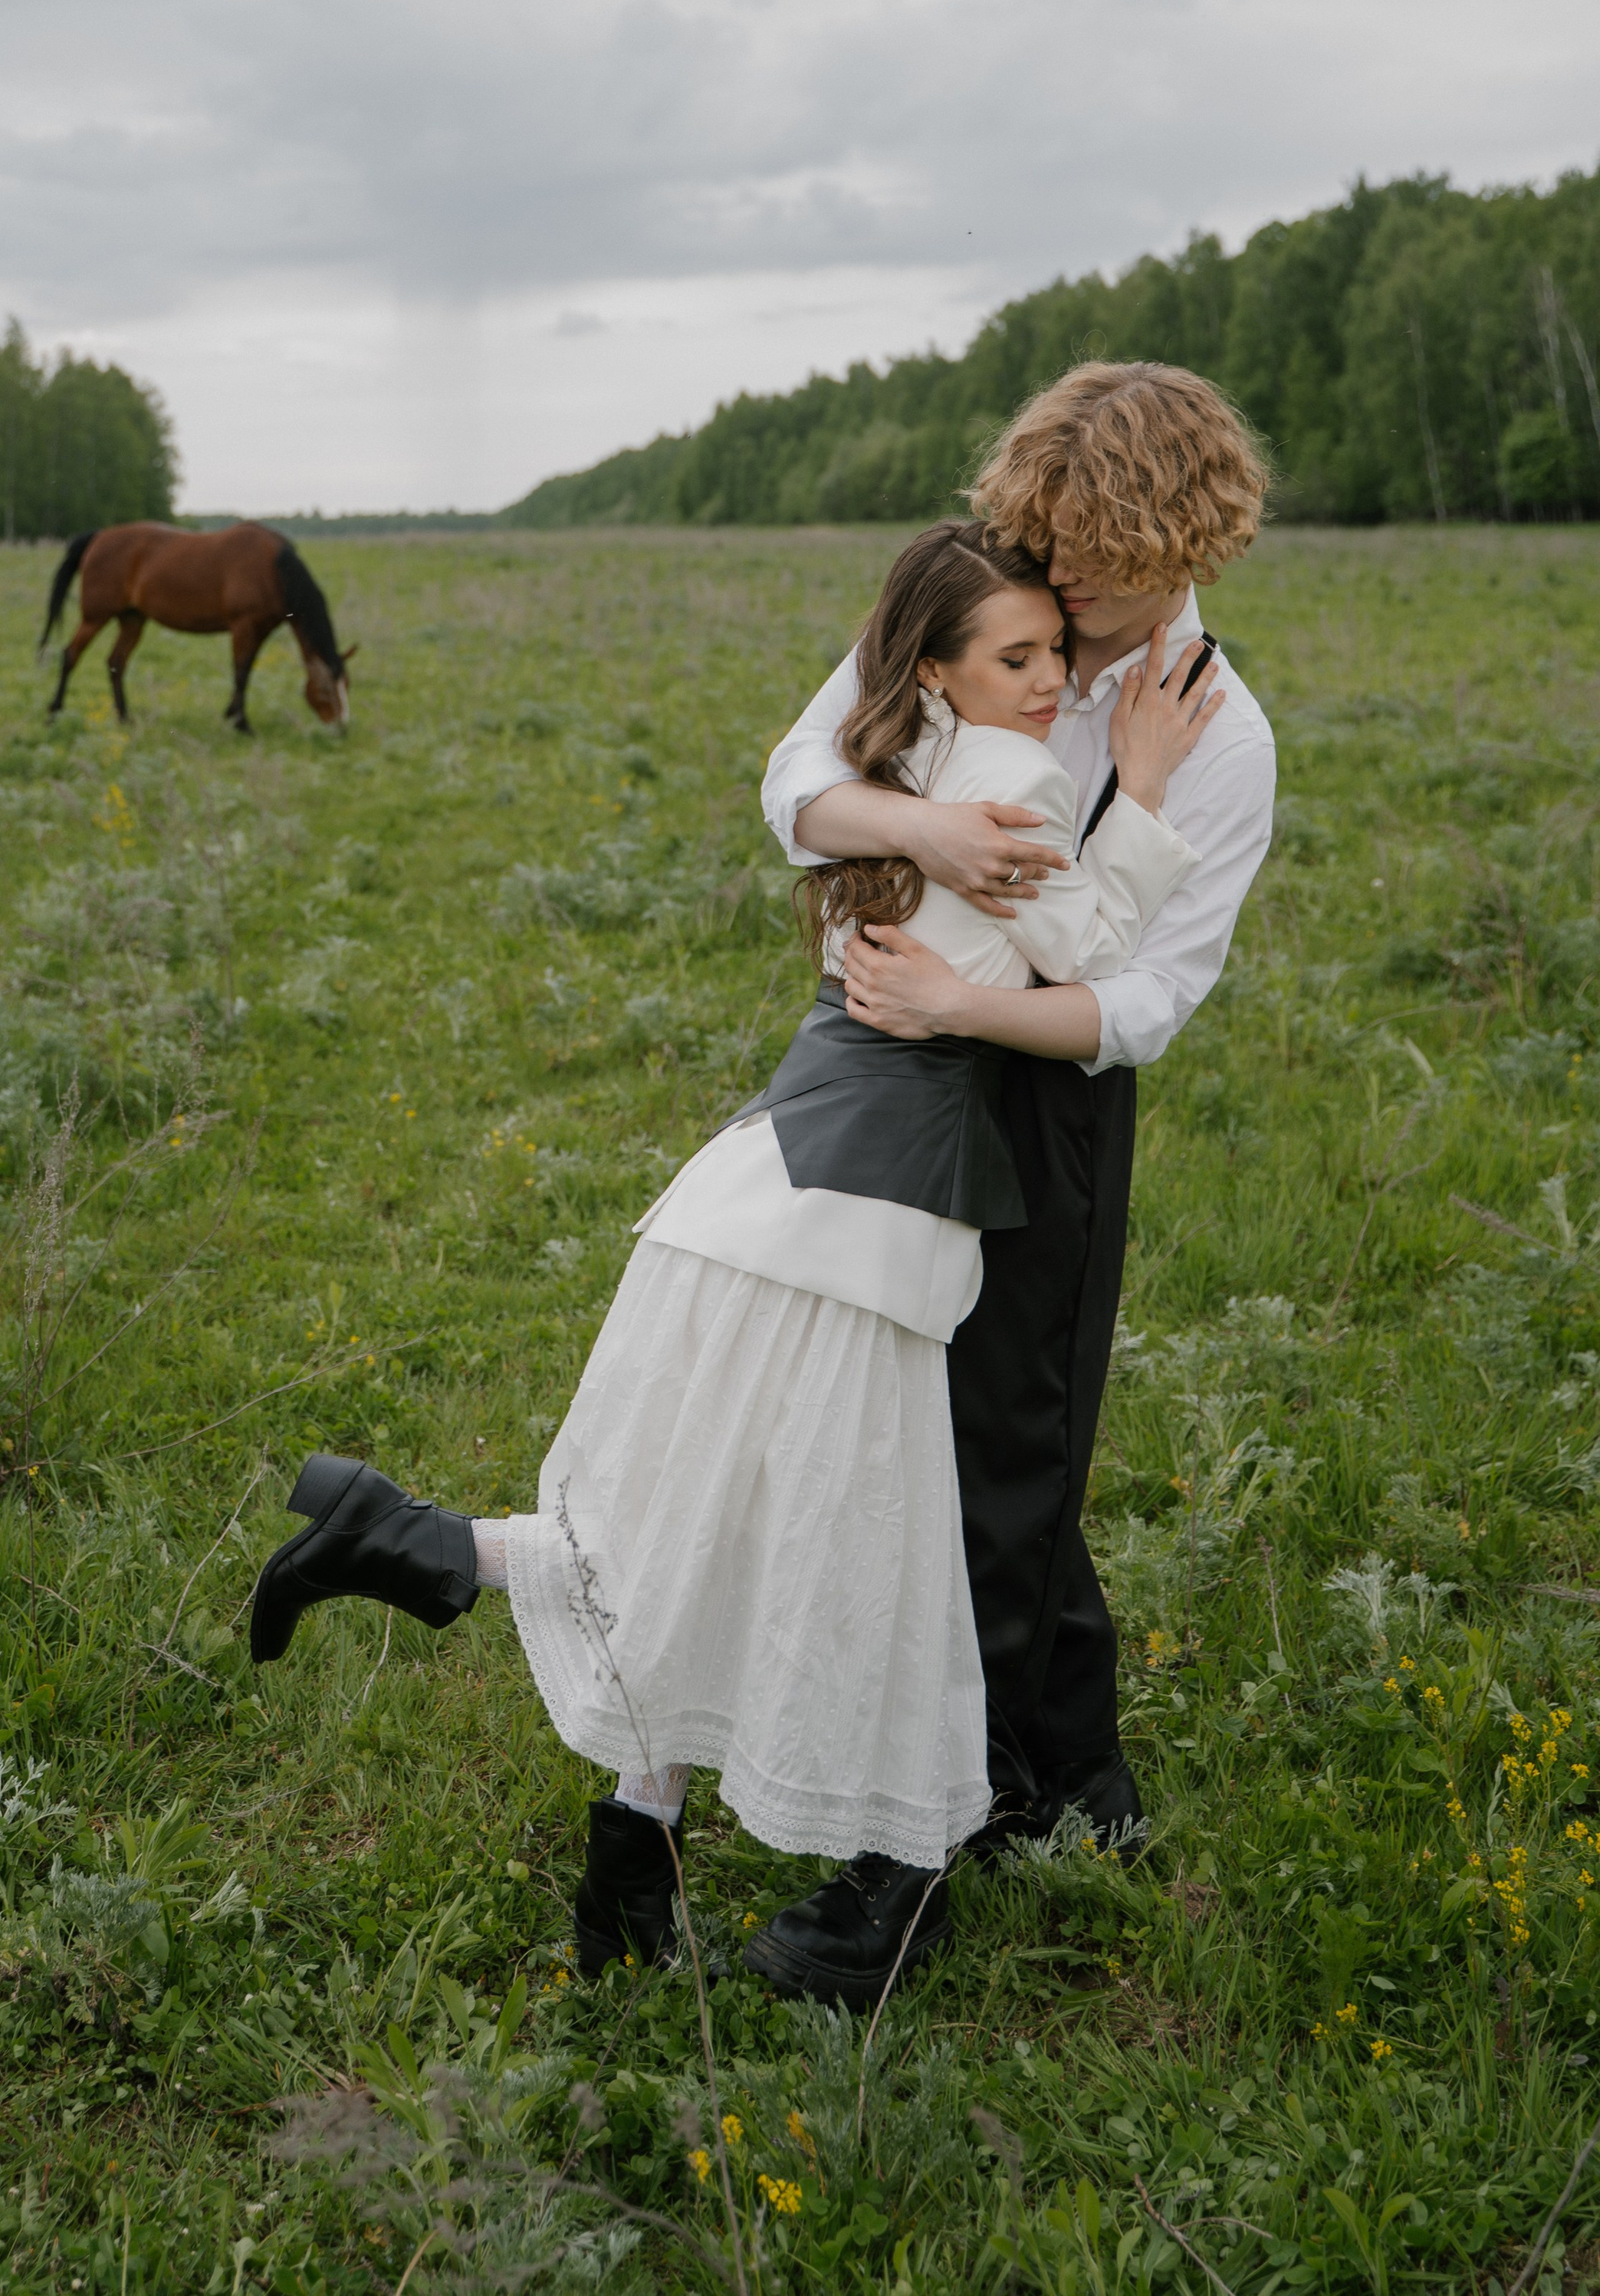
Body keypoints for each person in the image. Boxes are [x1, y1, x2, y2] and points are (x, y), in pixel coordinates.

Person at [247, 515, 1221, 2007]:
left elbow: (805, 795)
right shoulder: (1019, 778)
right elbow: (1088, 941)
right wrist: (1138, 785)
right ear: (940, 671)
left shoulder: (888, 763)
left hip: (770, 1169)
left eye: (1052, 652)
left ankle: (616, 1869)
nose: (1051, 681)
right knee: (821, 1546)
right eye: (1017, 656)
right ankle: (424, 1553)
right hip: (863, 1221)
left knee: (706, 1526)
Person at [757, 359, 1276, 1994]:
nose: (1060, 583)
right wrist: (925, 838)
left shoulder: (1222, 731)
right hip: (876, 1067)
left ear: (1184, 541)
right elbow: (797, 785)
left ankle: (899, 1870)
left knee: (998, 1463)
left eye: (1097, 560)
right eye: (1045, 544)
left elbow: (1143, 1002)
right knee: (887, 1426)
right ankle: (1078, 1783)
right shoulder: (978, 603)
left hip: (1040, 1094)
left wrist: (963, 1004)